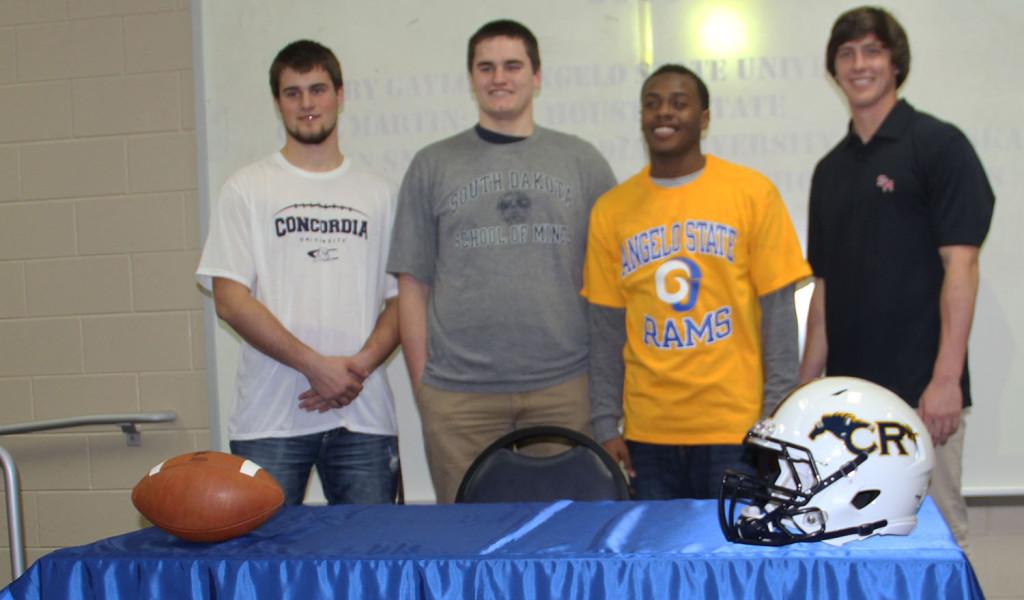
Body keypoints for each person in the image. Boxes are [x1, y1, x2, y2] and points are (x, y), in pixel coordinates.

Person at [387, 19, 617, 503]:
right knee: (472, 545)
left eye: (513, 65)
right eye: (486, 66)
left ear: (536, 76)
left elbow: (612, 284)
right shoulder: (433, 164)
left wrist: (605, 388)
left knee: (568, 540)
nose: (499, 77)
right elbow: (413, 285)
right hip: (459, 398)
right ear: (471, 77)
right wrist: (424, 388)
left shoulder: (583, 162)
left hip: (565, 389)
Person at [799, 7, 994, 546]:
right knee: (858, 541)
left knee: (936, 541)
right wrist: (805, 389)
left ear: (896, 63)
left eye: (872, 51)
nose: (859, 64)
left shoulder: (938, 145)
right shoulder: (830, 169)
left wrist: (946, 381)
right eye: (846, 53)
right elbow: (825, 288)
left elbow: (963, 265)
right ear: (834, 69)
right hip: (847, 405)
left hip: (921, 397)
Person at [582, 64, 811, 500]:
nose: (663, 113)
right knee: (657, 561)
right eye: (652, 103)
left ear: (704, 118)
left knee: (735, 561)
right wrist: (604, 423)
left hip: (735, 428)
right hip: (647, 433)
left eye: (678, 103)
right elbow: (605, 327)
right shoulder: (612, 210)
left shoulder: (752, 193)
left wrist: (776, 419)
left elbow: (778, 320)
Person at [196, 40, 401, 505]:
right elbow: (230, 299)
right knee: (263, 568)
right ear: (277, 102)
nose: (307, 104)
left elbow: (400, 300)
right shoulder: (246, 188)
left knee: (370, 569)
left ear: (340, 95)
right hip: (270, 420)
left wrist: (356, 370)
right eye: (292, 93)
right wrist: (316, 367)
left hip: (363, 416)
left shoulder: (380, 193)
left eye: (317, 89)